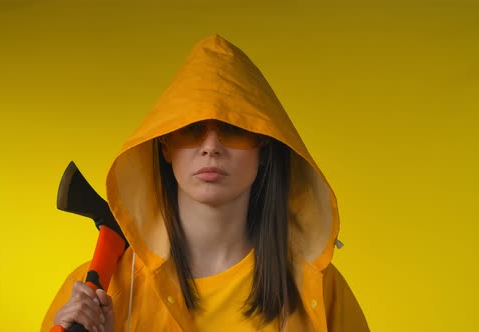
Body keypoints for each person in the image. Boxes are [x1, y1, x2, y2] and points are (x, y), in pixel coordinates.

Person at [41, 34, 369, 332]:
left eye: (233, 128)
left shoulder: (320, 291)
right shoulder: (98, 293)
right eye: (191, 128)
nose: (211, 146)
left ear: (264, 147)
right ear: (165, 146)